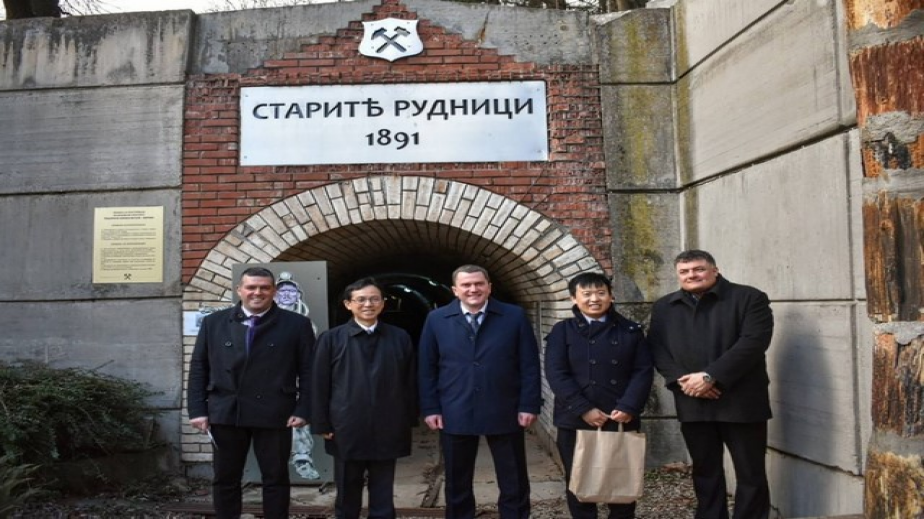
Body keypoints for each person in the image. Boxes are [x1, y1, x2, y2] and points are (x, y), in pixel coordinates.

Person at [648, 250, 774, 519]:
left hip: (741, 401)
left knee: (750, 472)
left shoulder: (749, 298)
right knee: (705, 471)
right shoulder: (664, 307)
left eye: (698, 269)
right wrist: (684, 382)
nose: (691, 275)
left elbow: (753, 342)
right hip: (692, 400)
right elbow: (657, 349)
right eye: (684, 271)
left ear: (715, 270)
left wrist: (710, 376)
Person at [187, 267, 316, 519]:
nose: (257, 292)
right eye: (251, 287)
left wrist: (304, 409)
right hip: (226, 410)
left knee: (276, 478)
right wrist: (197, 410)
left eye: (264, 287)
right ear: (239, 290)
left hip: (276, 411)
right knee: (225, 478)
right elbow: (199, 367)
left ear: (274, 291)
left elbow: (309, 371)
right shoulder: (214, 322)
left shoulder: (297, 324)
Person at [418, 264, 542, 519]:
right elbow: (427, 368)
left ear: (489, 287)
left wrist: (529, 404)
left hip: (504, 406)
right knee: (457, 479)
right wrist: (430, 408)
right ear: (455, 290)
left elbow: (529, 364)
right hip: (455, 408)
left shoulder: (513, 316)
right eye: (466, 285)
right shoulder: (437, 319)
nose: (473, 289)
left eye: (479, 284)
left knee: (513, 477)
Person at [544, 272, 654, 519]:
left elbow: (642, 371)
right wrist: (583, 408)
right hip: (576, 418)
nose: (594, 299)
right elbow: (556, 373)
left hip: (620, 416)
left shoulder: (630, 330)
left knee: (622, 480)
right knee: (579, 480)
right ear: (574, 299)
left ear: (611, 296)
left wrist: (628, 406)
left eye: (600, 293)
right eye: (587, 294)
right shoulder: (563, 331)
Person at [311, 278, 417, 519]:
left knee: (383, 487)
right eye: (360, 299)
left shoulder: (399, 337)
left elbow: (409, 381)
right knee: (347, 486)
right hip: (345, 424)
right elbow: (318, 383)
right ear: (348, 304)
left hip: (388, 423)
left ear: (383, 303)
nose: (368, 304)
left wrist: (408, 418)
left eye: (374, 299)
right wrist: (321, 423)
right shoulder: (331, 339)